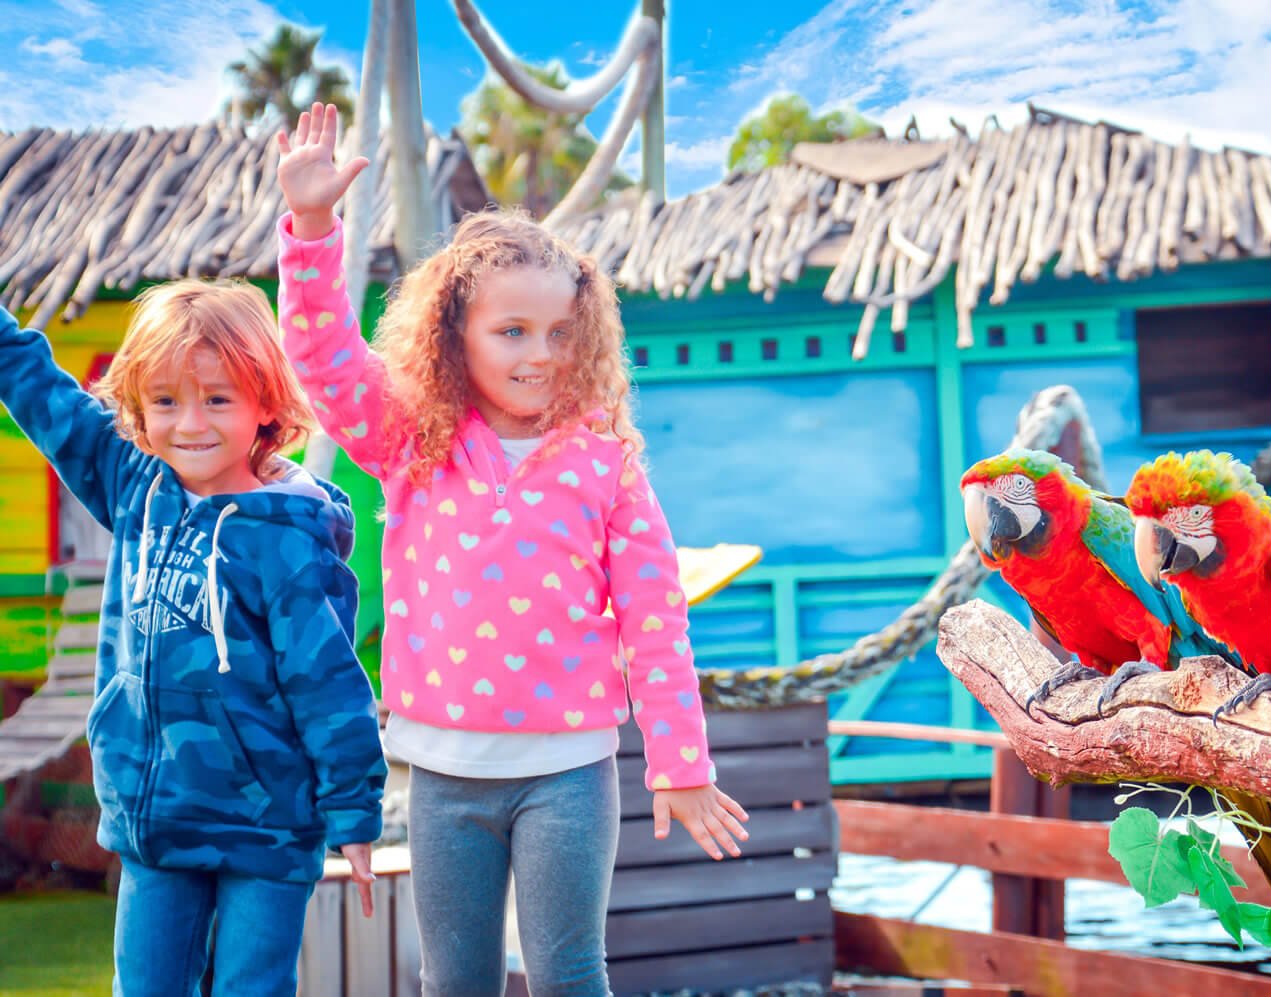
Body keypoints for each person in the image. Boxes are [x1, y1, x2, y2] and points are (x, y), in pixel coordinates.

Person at [275, 103, 749, 995]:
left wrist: (681, 762)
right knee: (456, 978)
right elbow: (325, 357)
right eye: (513, 331)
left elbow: (655, 619)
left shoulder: (607, 462)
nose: (541, 354)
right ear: (454, 334)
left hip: (569, 772)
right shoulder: (411, 440)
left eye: (561, 332)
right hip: (443, 774)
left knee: (570, 972)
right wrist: (308, 228)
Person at [0, 281, 386, 997]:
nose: (190, 424)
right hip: (157, 823)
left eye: (217, 399)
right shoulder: (136, 486)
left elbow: (329, 685)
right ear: (140, 410)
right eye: (167, 401)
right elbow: (43, 394)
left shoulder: (287, 537)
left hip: (267, 829)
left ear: (264, 403)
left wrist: (354, 811)